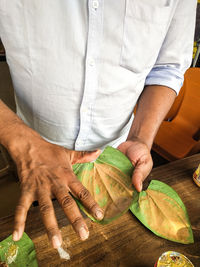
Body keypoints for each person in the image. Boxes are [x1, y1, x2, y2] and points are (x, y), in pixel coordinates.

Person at [0, 0, 197, 249]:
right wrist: (22, 143)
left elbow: (167, 67)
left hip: (118, 154)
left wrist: (140, 138)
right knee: (44, 233)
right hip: (32, 150)